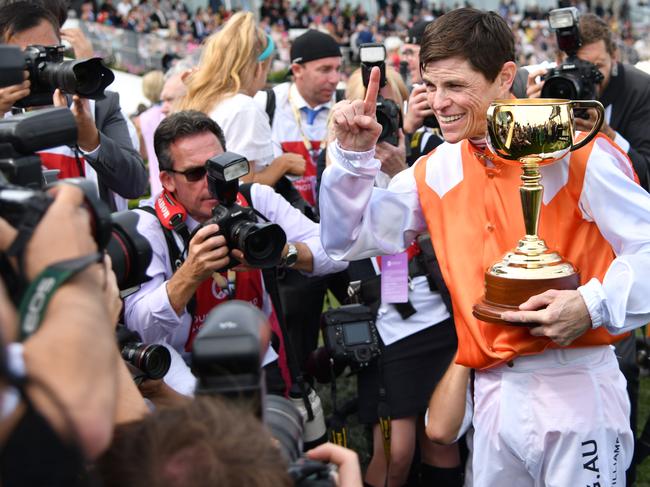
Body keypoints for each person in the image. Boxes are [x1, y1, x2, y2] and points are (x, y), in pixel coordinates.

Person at [319, 8, 650, 486]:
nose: (439, 102)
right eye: (430, 86)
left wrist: (591, 304)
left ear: (504, 78)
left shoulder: (577, 150)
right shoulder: (434, 167)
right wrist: (351, 160)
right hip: (493, 392)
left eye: (455, 86)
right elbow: (347, 240)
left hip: (578, 381)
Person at [123, 111, 347, 394]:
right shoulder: (149, 226)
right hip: (182, 368)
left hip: (255, 353)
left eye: (218, 168)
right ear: (167, 180)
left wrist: (282, 253)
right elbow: (140, 329)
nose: (211, 182)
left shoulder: (255, 199)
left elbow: (337, 253)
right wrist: (190, 274)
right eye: (195, 173)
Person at [334, 67, 461, 487]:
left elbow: (441, 228)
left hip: (438, 318)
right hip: (389, 323)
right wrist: (360, 161)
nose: (381, 120)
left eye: (390, 108)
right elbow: (348, 241)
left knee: (443, 438)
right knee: (397, 450)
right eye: (372, 107)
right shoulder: (343, 163)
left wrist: (400, 166)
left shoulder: (429, 155)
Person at [0, 1, 147, 210]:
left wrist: (91, 140)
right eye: (29, 59)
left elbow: (135, 185)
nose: (42, 67)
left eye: (49, 54)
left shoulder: (99, 106)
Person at [179, 12, 304, 187]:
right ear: (259, 67)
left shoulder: (203, 99)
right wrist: (283, 164)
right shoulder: (243, 107)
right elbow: (242, 186)